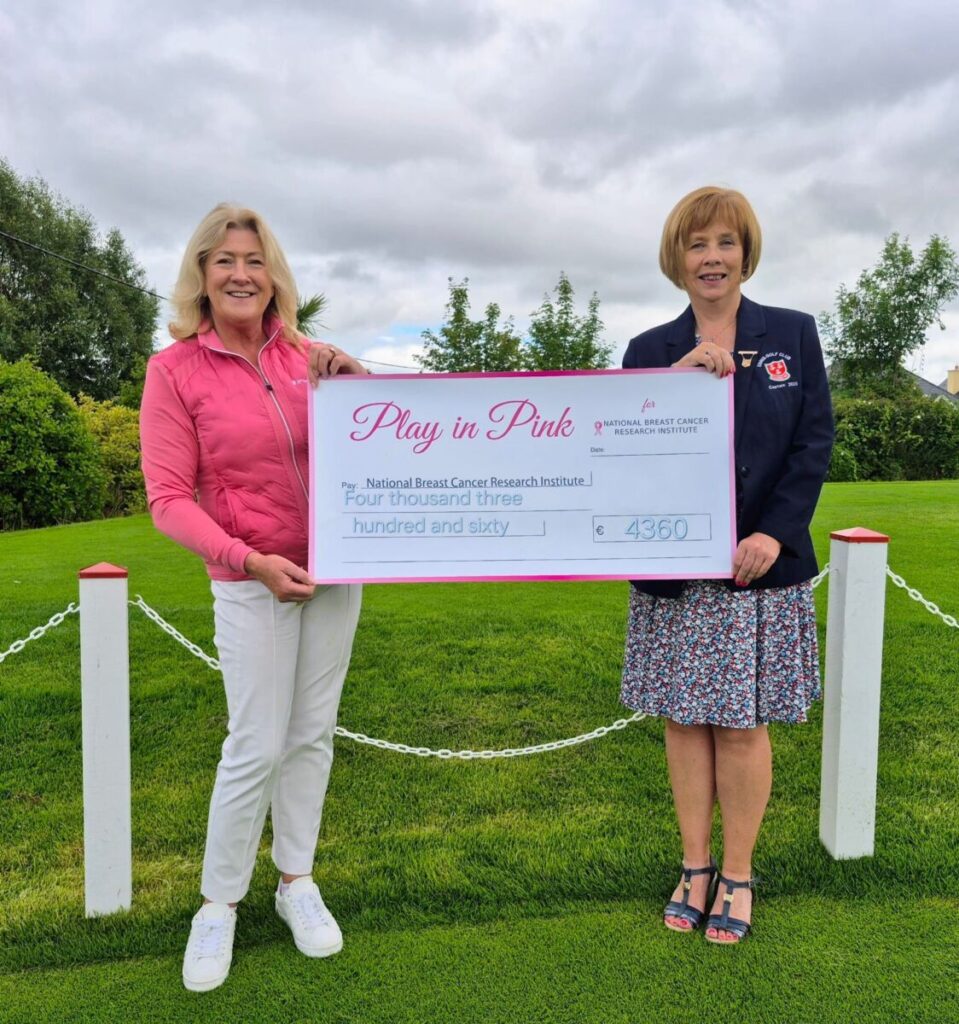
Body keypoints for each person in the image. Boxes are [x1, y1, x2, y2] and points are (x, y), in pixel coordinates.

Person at [140, 203, 368, 991]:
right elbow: (168, 499)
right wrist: (250, 560)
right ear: (201, 276)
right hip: (251, 581)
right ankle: (219, 903)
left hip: (334, 575)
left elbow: (375, 444)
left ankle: (295, 881)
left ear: (274, 275)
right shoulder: (174, 371)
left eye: (254, 260)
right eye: (225, 260)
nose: (241, 274)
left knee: (311, 734)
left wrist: (357, 385)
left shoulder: (309, 357)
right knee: (256, 744)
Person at [620, 186, 833, 944]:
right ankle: (695, 866)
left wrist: (775, 531)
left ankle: (737, 874)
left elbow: (812, 443)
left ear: (745, 253)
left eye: (725, 242)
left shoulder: (793, 334)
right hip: (678, 572)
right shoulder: (648, 350)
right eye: (696, 244)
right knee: (684, 720)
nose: (711, 258)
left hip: (755, 569)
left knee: (740, 727)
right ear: (676, 259)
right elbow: (628, 454)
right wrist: (676, 382)